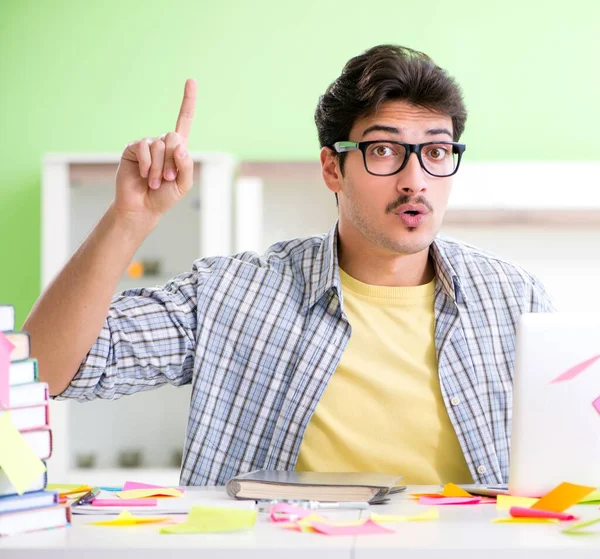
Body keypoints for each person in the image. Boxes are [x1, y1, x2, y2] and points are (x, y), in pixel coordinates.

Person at [24, 45, 554, 487]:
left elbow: (567, 463)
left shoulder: (516, 301)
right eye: (386, 151)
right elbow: (44, 373)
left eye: (436, 153)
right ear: (332, 168)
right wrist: (128, 219)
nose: (415, 179)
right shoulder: (234, 293)